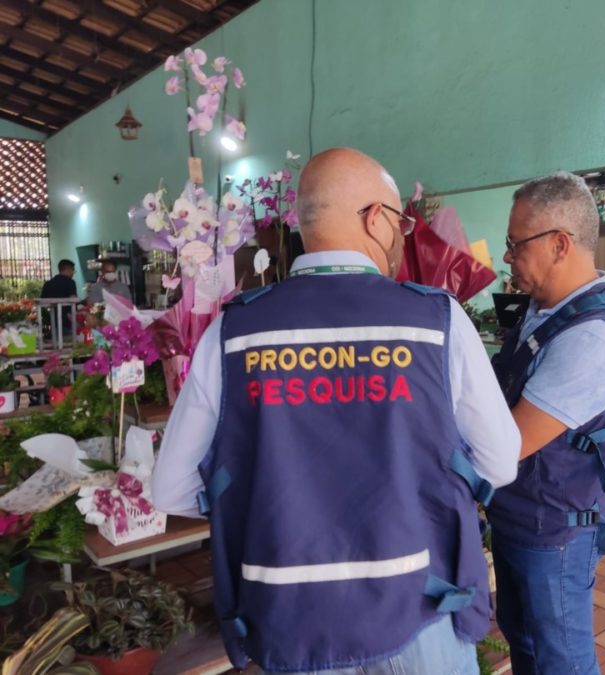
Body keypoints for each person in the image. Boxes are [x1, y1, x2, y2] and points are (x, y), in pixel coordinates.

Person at [151, 147, 520, 675]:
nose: (400, 236)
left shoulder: (233, 331)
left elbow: (171, 490)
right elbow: (499, 462)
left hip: (291, 619)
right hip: (416, 605)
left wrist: (266, 506)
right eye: (399, 222)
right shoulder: (435, 320)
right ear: (374, 218)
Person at [487, 172, 605, 674]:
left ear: (558, 244)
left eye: (515, 244)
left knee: (563, 661)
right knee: (524, 643)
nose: (508, 257)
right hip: (517, 515)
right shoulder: (541, 311)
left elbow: (509, 443)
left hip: (553, 532)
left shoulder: (591, 339)